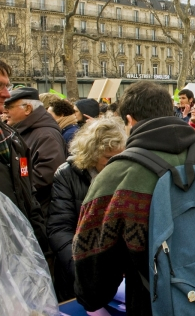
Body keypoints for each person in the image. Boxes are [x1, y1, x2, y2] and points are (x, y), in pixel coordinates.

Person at [73, 82, 195, 315]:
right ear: (170, 110)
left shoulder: (116, 176)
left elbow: (93, 271)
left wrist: (90, 297)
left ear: (130, 120)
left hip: (154, 303)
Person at [47, 117, 127, 302]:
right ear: (91, 153)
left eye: (119, 156)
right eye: (108, 157)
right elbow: (59, 228)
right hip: (78, 270)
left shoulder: (125, 172)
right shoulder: (67, 174)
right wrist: (82, 270)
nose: (115, 163)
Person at [0, 60, 47, 252]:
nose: (6, 94)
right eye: (0, 86)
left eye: (6, 85)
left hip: (19, 252)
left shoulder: (13, 139)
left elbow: (28, 197)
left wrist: (41, 245)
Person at [4, 87, 67, 217]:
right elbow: (24, 168)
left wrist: (15, 187)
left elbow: (47, 174)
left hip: (42, 212)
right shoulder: (25, 132)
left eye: (9, 107)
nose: (5, 111)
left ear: (27, 109)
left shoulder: (45, 135)